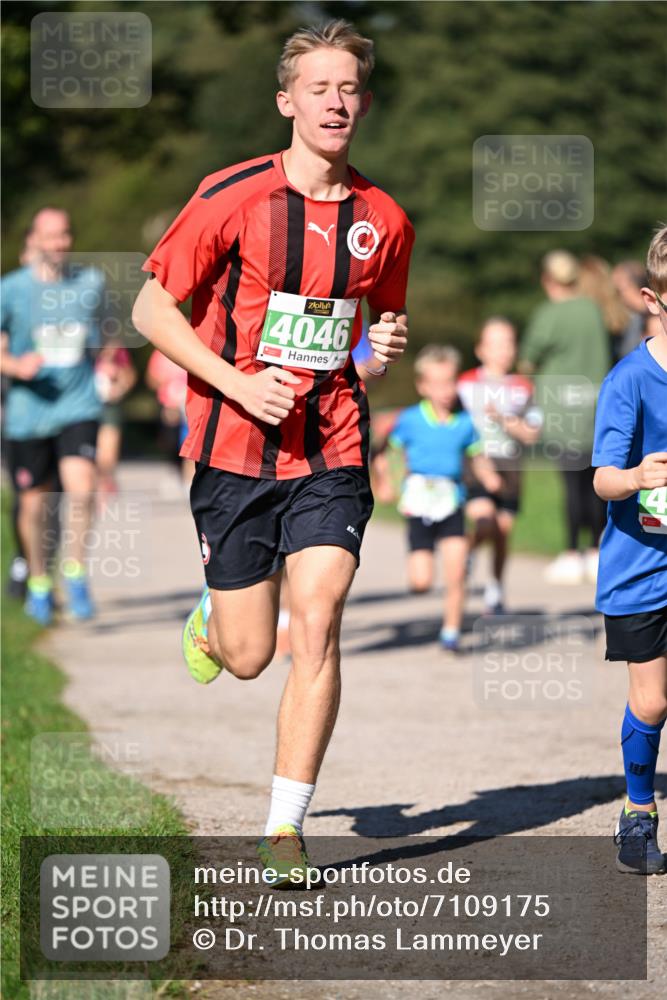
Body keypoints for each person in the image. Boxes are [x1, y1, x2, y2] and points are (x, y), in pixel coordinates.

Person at [131, 20, 413, 883]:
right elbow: (150, 310)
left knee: (318, 621)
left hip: (331, 442)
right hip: (233, 446)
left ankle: (284, 827)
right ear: (287, 102)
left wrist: (379, 348)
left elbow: (364, 333)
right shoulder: (233, 194)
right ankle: (214, 629)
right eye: (319, 88)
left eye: (349, 88)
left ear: (361, 103)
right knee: (252, 655)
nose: (336, 102)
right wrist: (236, 382)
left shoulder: (384, 219)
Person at [592, 226, 667, 875]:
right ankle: (637, 809)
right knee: (651, 701)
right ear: (651, 298)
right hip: (639, 566)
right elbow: (601, 477)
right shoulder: (628, 381)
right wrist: (637, 477)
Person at [0, 208, 102, 624]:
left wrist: (111, 365)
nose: (59, 244)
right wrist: (14, 366)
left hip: (78, 404)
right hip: (28, 412)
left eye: (65, 235)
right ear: (34, 240)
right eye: (51, 236)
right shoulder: (11, 289)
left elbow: (103, 338)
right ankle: (39, 581)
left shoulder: (90, 283)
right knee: (33, 503)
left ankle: (74, 572)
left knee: (82, 490)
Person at [373, 345, 502, 653]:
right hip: (419, 504)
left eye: (450, 382)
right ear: (423, 386)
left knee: (456, 572)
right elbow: (383, 452)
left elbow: (477, 454)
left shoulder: (464, 422)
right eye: (439, 383)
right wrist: (385, 482)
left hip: (451, 501)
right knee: (421, 583)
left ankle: (451, 632)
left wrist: (489, 476)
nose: (446, 390)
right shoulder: (410, 420)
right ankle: (428, 574)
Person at [520, 250, 611, 586]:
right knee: (595, 482)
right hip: (595, 407)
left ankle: (573, 553)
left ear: (548, 280)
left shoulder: (551, 313)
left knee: (572, 485)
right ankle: (597, 549)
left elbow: (528, 358)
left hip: (562, 411)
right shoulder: (593, 309)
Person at [458, 318, 542, 614]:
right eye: (495, 344)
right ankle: (465, 556)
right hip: (475, 461)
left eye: (508, 343)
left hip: (510, 463)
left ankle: (495, 587)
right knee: (485, 519)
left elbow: (533, 433)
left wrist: (505, 420)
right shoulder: (465, 384)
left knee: (503, 530)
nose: (503, 350)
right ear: (481, 349)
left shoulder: (522, 386)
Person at [95, 343, 136, 498]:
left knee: (108, 450)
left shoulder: (119, 352)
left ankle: (106, 480)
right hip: (88, 405)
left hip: (110, 406)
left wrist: (119, 389)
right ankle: (99, 480)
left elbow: (129, 376)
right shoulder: (88, 348)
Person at [612, 260, 649, 358]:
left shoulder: (655, 318)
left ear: (632, 286)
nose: (616, 295)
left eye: (619, 290)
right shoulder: (632, 316)